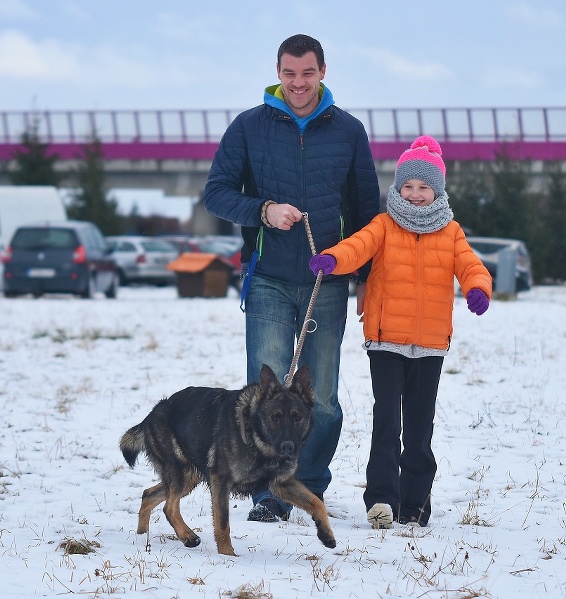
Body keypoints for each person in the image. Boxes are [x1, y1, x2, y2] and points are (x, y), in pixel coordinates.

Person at [202, 34, 381, 523]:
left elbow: (368, 211)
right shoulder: (248, 127)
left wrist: (365, 275)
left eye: (307, 73)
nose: (298, 83)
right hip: (269, 280)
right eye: (289, 73)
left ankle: (306, 483)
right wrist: (262, 209)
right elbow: (215, 193)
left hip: (328, 283)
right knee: (264, 393)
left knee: (319, 398)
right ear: (277, 73)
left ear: (323, 71)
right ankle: (269, 492)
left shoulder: (348, 131)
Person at [307, 135, 493, 528]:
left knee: (420, 426)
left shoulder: (451, 232)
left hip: (429, 344)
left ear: (437, 189)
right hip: (386, 339)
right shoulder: (385, 224)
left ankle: (415, 503)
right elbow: (357, 247)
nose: (414, 194)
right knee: (387, 421)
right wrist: (333, 259)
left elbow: (471, 266)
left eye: (423, 187)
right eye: (407, 186)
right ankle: (381, 501)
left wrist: (478, 288)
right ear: (397, 187)